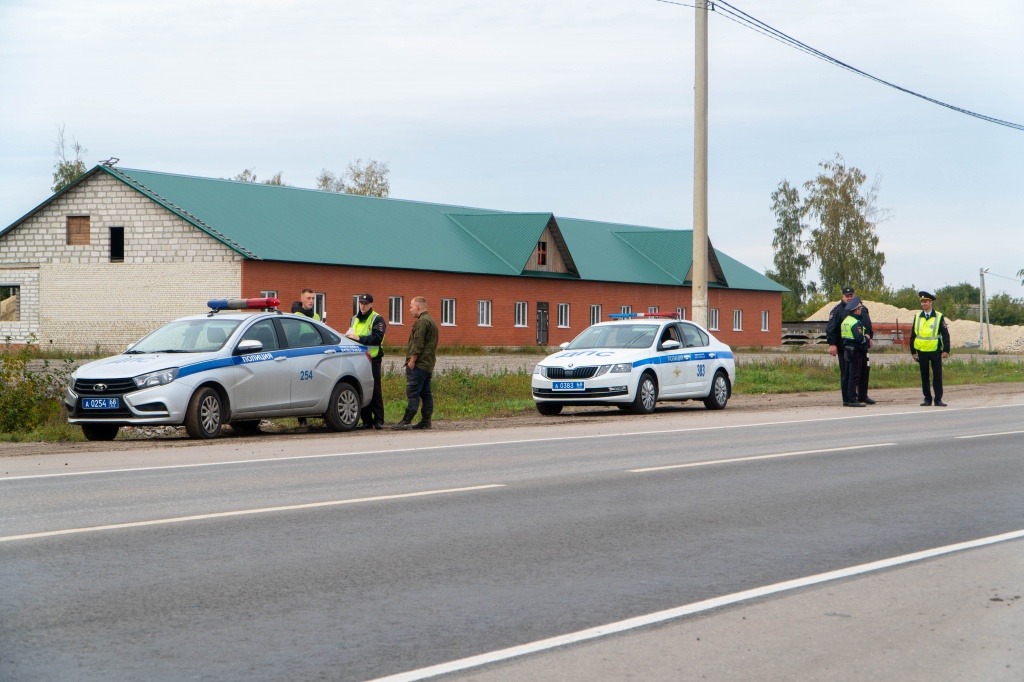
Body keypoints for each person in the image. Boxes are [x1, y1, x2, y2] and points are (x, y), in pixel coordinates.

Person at [825, 286, 876, 405]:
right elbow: (831, 328)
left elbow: (867, 324)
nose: (849, 298)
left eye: (851, 296)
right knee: (847, 373)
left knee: (863, 371)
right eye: (847, 296)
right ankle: (848, 398)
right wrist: (832, 344)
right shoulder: (837, 310)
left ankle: (862, 395)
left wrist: (869, 336)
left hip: (862, 346)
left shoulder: (863, 309)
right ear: (842, 296)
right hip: (846, 347)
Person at [393, 296, 438, 430]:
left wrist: (412, 361)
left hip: (419, 364)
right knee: (426, 393)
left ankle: (407, 420)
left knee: (413, 392)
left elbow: (418, 344)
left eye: (411, 307)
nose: (410, 310)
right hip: (428, 364)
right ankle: (426, 420)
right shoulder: (431, 321)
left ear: (418, 307)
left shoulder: (422, 322)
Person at [346, 294, 386, 430]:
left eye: (366, 303)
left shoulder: (377, 319)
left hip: (373, 359)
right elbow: (350, 335)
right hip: (358, 359)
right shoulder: (354, 319)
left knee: (375, 389)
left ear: (371, 304)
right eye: (361, 303)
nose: (363, 306)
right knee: (362, 388)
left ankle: (379, 420)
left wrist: (358, 338)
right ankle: (367, 420)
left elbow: (377, 338)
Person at [910, 290, 950, 407]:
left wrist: (946, 349)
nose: (923, 304)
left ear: (931, 302)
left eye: (926, 301)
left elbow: (945, 334)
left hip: (935, 350)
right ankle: (927, 398)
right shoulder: (917, 316)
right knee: (924, 375)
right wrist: (913, 351)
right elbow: (913, 335)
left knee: (937, 375)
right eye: (922, 302)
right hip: (922, 351)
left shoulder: (939, 316)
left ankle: (938, 399)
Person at [840, 297, 870, 407]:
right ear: (856, 310)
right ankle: (853, 399)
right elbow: (859, 338)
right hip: (855, 351)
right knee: (854, 375)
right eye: (860, 309)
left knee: (847, 375)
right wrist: (866, 338)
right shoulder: (855, 322)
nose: (861, 311)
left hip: (847, 350)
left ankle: (846, 399)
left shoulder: (845, 321)